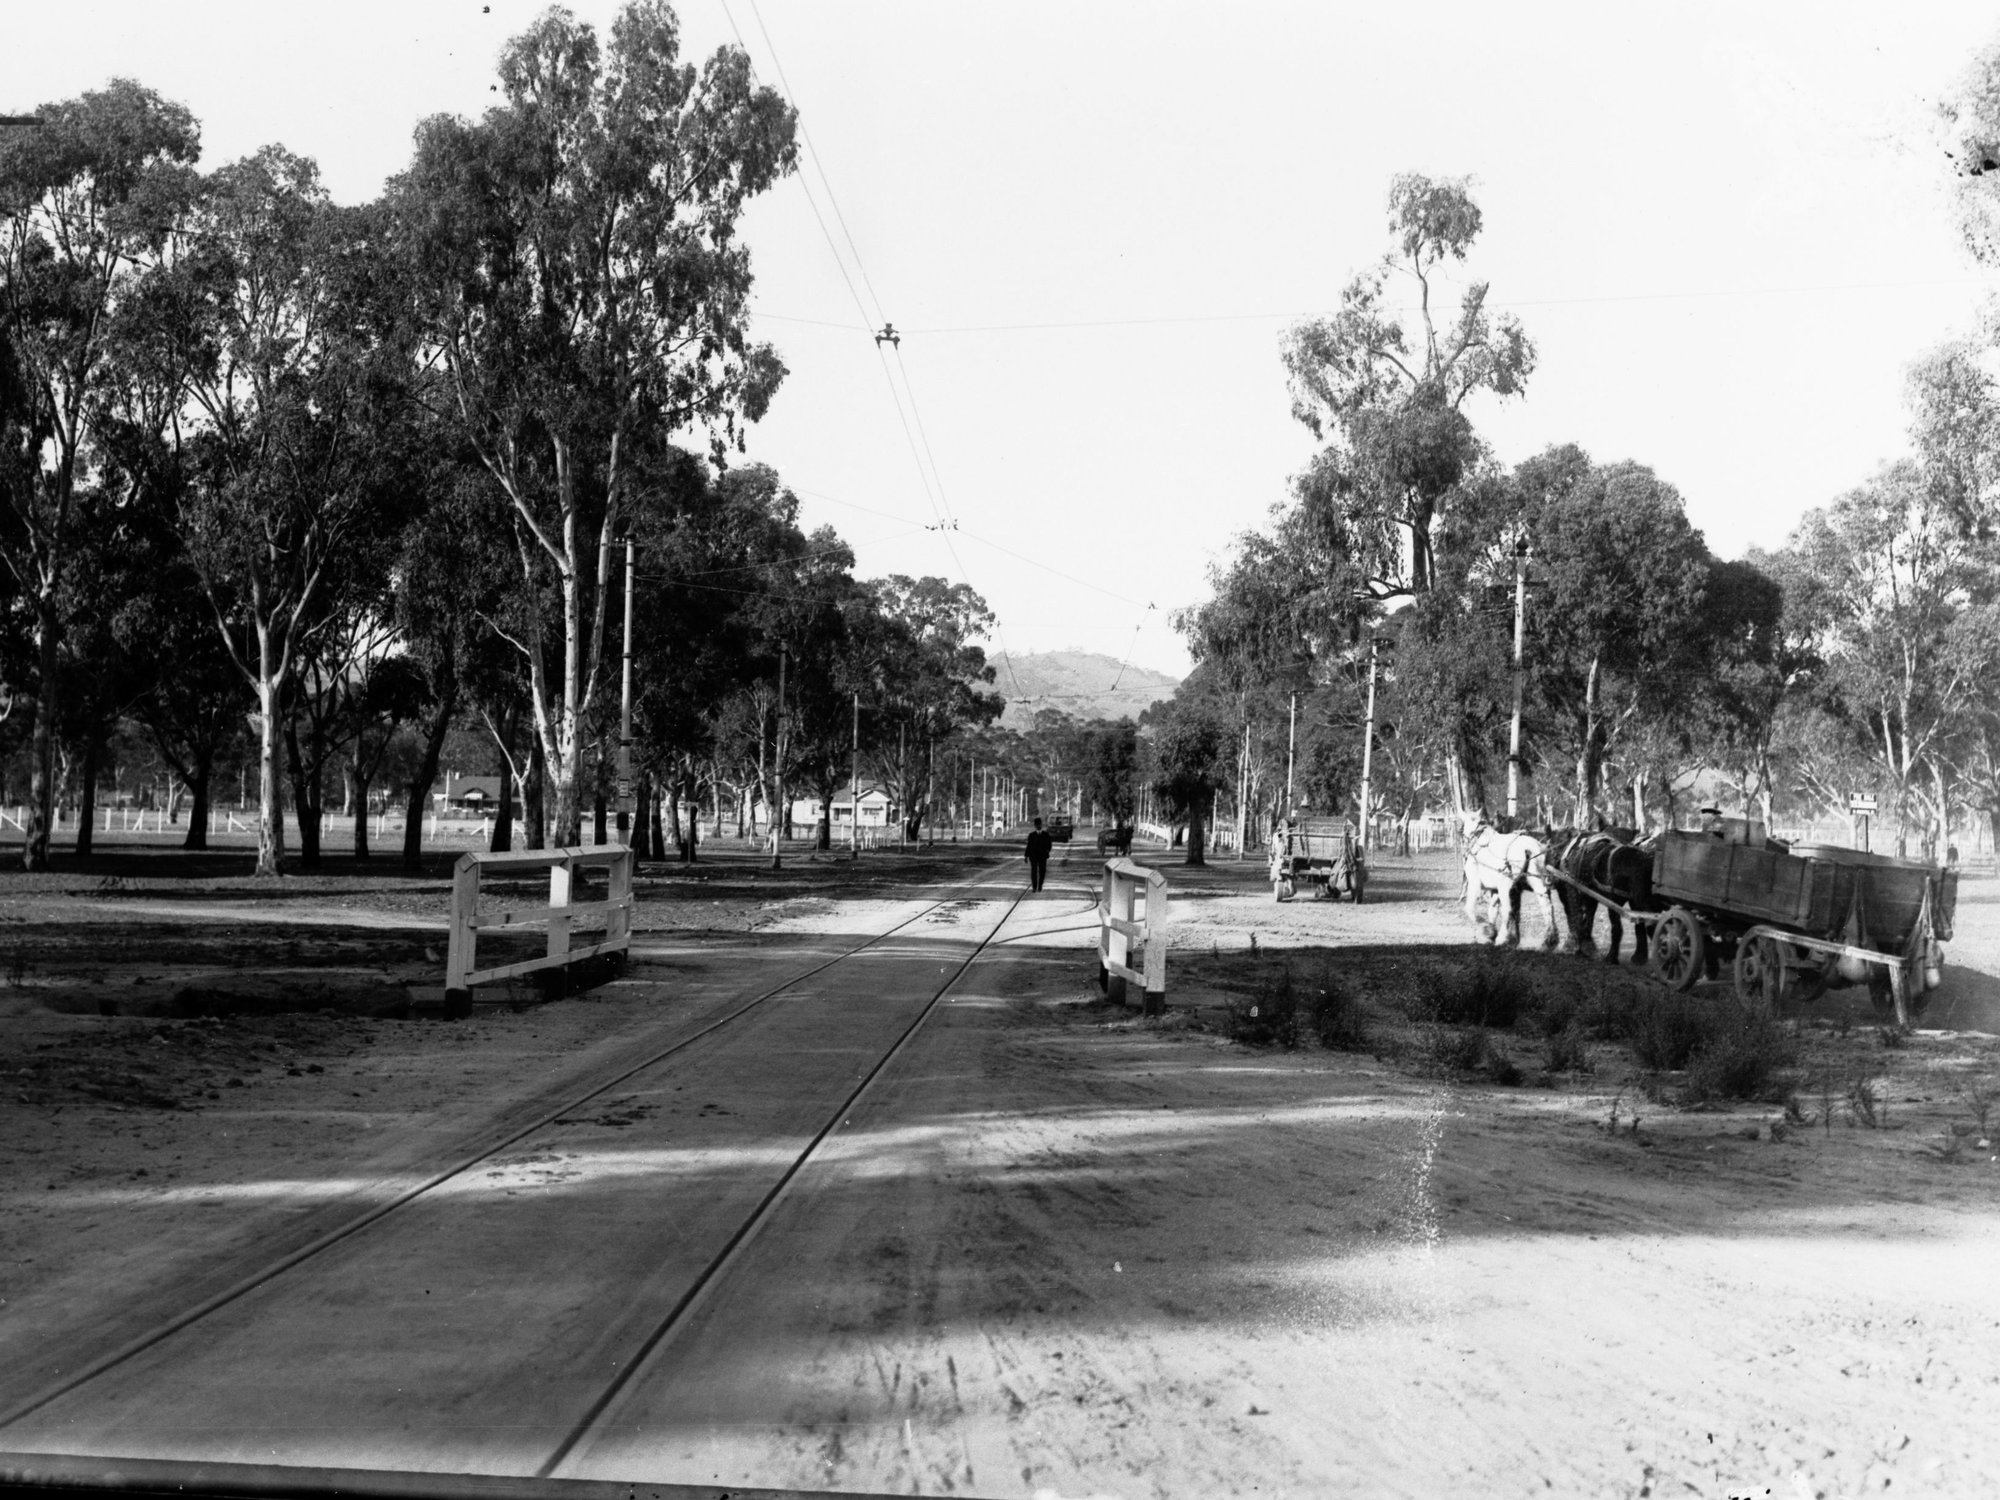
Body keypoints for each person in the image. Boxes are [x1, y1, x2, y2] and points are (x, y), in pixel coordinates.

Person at [1025, 817, 1053, 892]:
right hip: (1033, 856)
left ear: (1041, 825)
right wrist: (1026, 856)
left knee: (1042, 871)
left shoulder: (1046, 835)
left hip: (1042, 856)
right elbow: (1029, 846)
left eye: (1039, 824)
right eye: (1037, 825)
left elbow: (1049, 845)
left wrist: (1047, 851)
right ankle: (1034, 887)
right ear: (1035, 826)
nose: (1038, 826)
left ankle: (1040, 885)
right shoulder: (1031, 835)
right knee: (1033, 872)